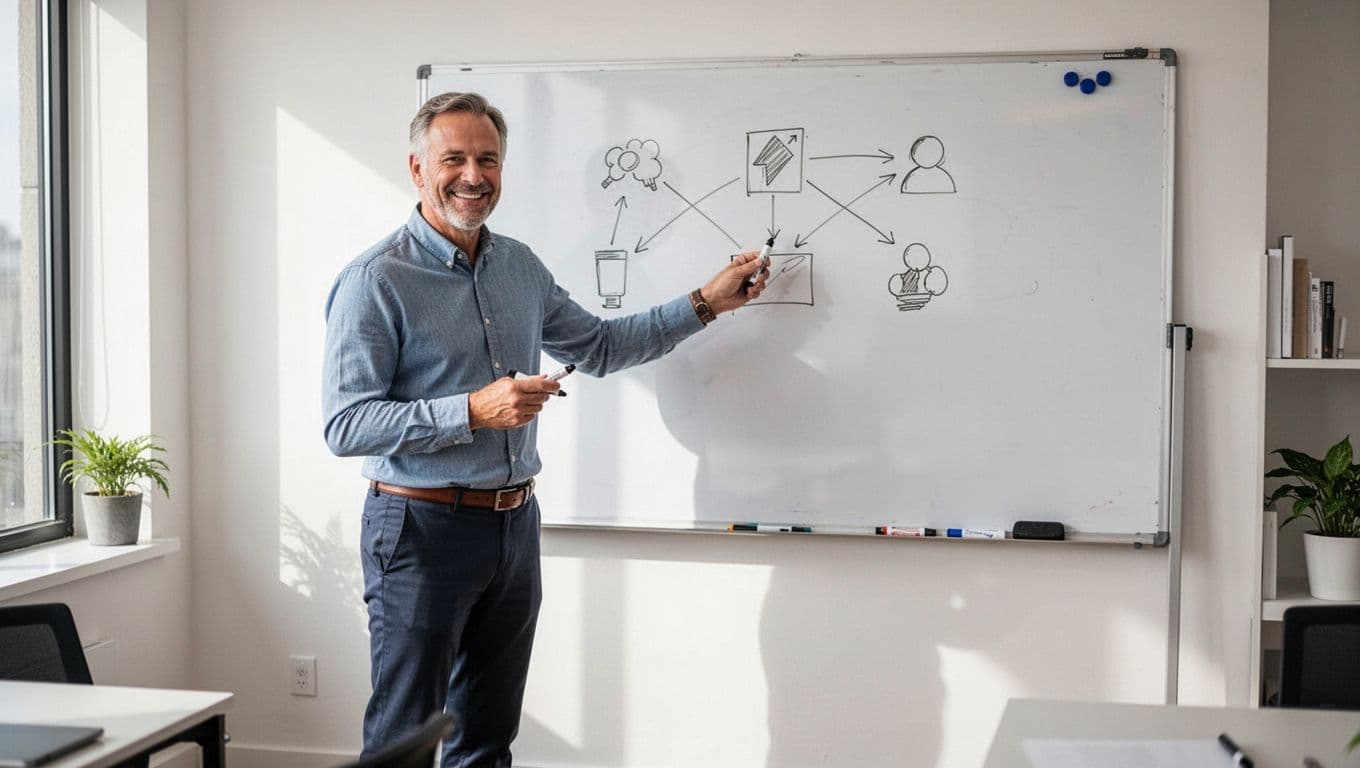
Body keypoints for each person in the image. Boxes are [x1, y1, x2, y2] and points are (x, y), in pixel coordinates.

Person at [321, 91, 767, 767]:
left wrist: (706, 302)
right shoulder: (374, 281)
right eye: (455, 159)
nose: (473, 175)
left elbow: (602, 347)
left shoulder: (519, 267)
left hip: (512, 528)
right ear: (418, 170)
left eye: (488, 159)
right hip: (419, 531)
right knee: (404, 740)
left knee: (486, 738)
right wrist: (474, 409)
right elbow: (347, 424)